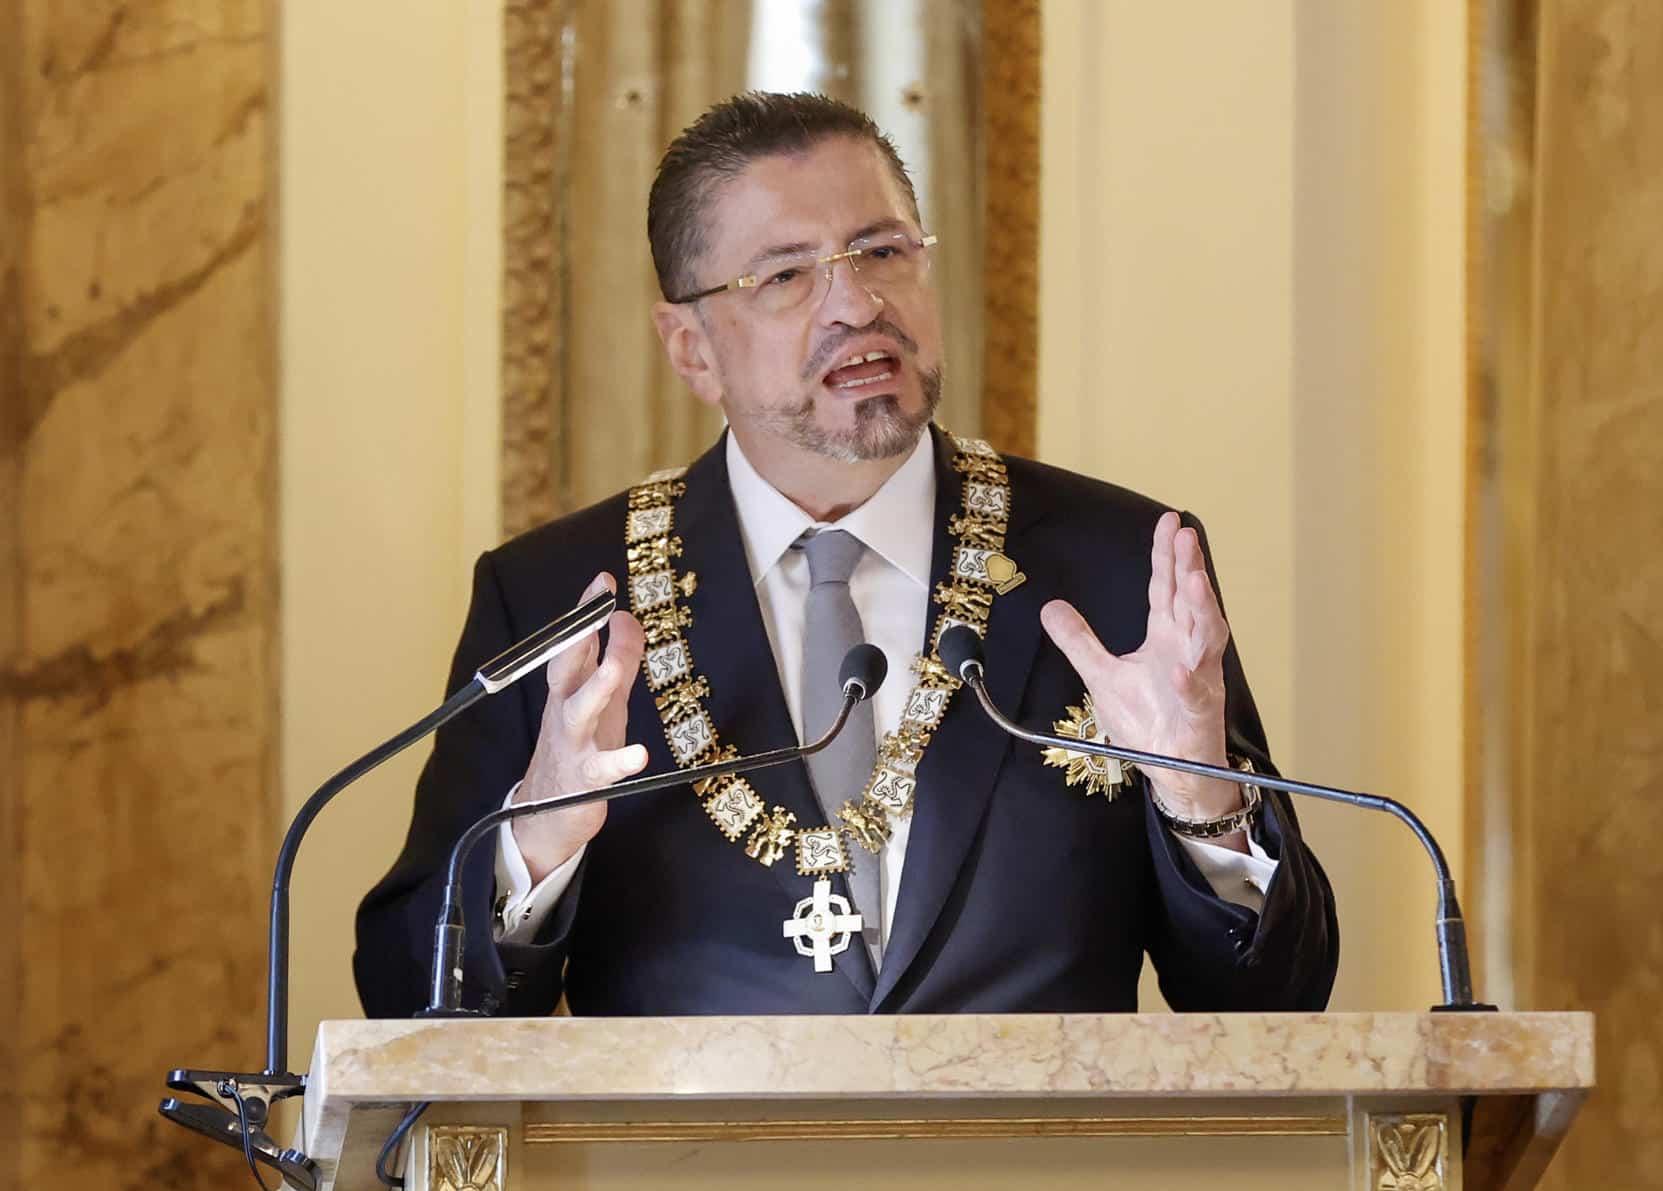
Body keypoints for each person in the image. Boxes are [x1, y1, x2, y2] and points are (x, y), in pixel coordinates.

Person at [354, 92, 1337, 1018]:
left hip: (1044, 1188)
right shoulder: (552, 604)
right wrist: (534, 842)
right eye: (786, 274)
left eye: (882, 250)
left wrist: (1201, 795)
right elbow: (406, 1002)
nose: (858, 304)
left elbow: (1277, 1003)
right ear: (690, 346)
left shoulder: (1120, 570)